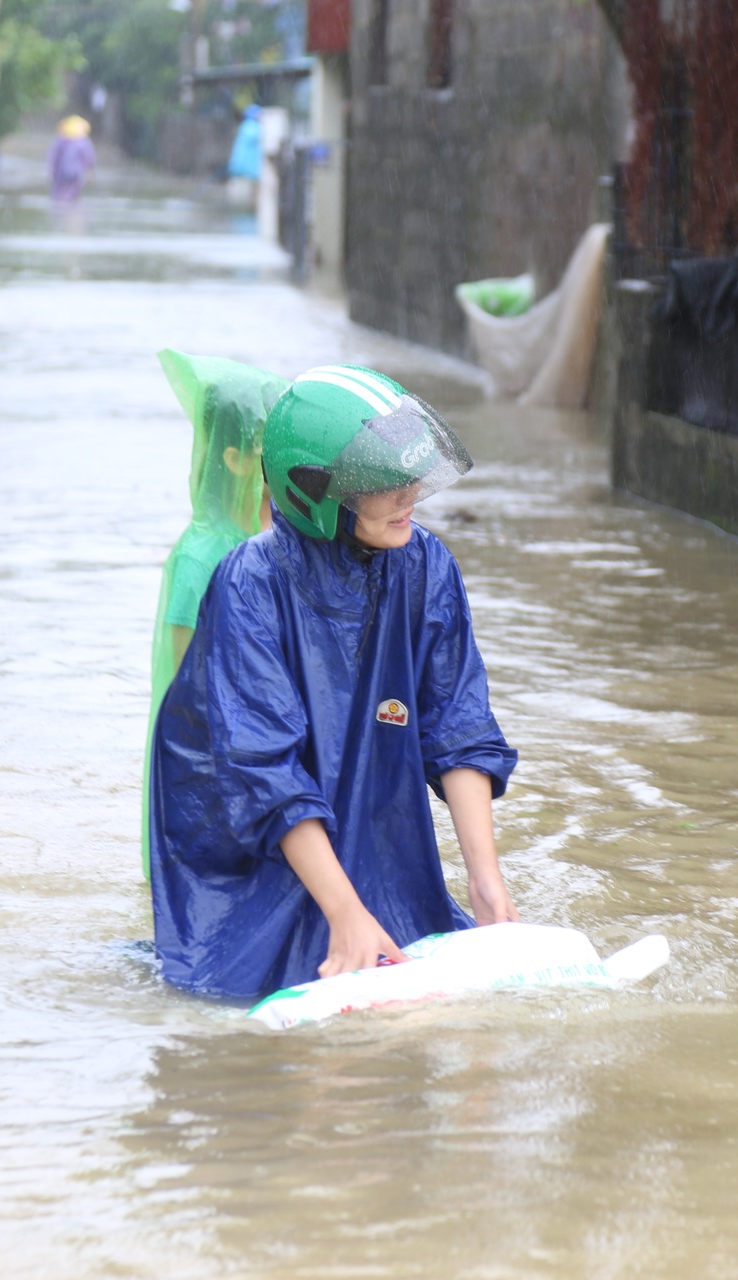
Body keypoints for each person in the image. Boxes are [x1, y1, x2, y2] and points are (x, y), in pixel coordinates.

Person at [148, 365, 520, 1001]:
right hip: (261, 851)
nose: (409, 494)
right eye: (381, 481)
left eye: (410, 475)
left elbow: (457, 723)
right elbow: (264, 773)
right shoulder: (251, 584)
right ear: (314, 491)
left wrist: (486, 883)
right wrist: (345, 915)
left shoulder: (425, 564)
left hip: (380, 837)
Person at [141, 350, 288, 878]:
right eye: (270, 450)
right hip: (208, 777)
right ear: (234, 459)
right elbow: (189, 692)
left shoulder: (262, 542)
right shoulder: (201, 557)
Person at [49, 116, 98, 204]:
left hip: (61, 172)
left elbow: (54, 157)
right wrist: (91, 173)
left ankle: (61, 211)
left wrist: (52, 172)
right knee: (73, 195)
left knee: (59, 195)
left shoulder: (60, 140)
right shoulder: (84, 141)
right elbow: (89, 158)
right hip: (76, 173)